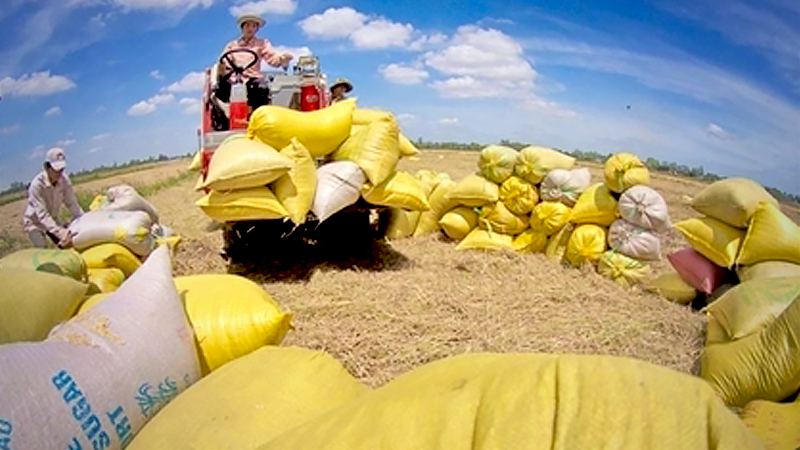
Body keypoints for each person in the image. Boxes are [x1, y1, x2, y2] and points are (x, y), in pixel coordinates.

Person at [216, 13, 294, 110]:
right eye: (248, 25)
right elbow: (223, 62)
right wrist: (223, 71)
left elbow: (272, 59)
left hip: (252, 78)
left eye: (254, 26)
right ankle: (227, 115)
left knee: (262, 87)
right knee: (220, 89)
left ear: (257, 29)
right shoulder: (232, 45)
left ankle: (258, 116)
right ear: (242, 27)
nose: (250, 28)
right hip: (234, 79)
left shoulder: (262, 43)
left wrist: (282, 59)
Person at [22, 147, 83, 248]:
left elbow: (71, 203)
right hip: (35, 222)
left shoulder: (64, 180)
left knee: (68, 245)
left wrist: (82, 219)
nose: (60, 173)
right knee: (42, 248)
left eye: (62, 170)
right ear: (47, 167)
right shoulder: (36, 185)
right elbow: (42, 215)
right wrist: (60, 233)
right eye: (56, 170)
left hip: (53, 218)